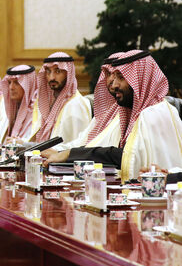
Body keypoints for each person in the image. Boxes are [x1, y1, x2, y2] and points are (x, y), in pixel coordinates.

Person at [44, 50, 182, 181]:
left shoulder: (153, 113)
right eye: (110, 76)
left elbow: (127, 157)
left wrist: (70, 154)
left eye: (121, 77)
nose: (113, 84)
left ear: (140, 80)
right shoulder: (137, 111)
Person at [30, 52, 92, 143]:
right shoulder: (53, 103)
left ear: (68, 73)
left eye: (58, 71)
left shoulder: (75, 105)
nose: (51, 77)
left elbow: (75, 147)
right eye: (48, 72)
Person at [0, 65, 37, 141]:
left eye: (17, 82)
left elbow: (35, 143)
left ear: (29, 85)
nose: (11, 87)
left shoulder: (37, 112)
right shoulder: (12, 110)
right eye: (9, 82)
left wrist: (19, 143)